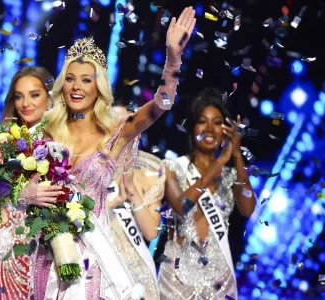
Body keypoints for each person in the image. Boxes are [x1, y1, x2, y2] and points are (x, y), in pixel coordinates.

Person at [19, 7, 196, 300]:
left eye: (86, 80)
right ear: (63, 86)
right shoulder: (44, 133)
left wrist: (172, 59)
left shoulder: (115, 132)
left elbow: (161, 104)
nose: (77, 87)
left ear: (98, 87)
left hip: (93, 261)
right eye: (71, 79)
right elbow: (10, 192)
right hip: (48, 260)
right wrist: (28, 194)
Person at [158, 88, 256, 300]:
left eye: (218, 122)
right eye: (203, 121)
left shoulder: (231, 176)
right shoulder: (172, 168)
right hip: (176, 277)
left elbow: (248, 209)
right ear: (193, 127)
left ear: (226, 130)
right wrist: (220, 161)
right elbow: (180, 205)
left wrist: (237, 155)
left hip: (218, 280)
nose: (210, 129)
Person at [0, 66, 63, 299]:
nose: (26, 103)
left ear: (50, 96)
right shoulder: (0, 144)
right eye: (18, 96)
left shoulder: (63, 142)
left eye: (35, 94)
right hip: (5, 246)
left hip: (47, 251)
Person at [105, 102, 164, 299]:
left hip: (137, 276)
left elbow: (150, 232)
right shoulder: (91, 169)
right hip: (101, 267)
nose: (121, 130)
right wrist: (114, 202)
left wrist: (132, 192)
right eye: (113, 123)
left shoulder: (150, 173)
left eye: (126, 124)